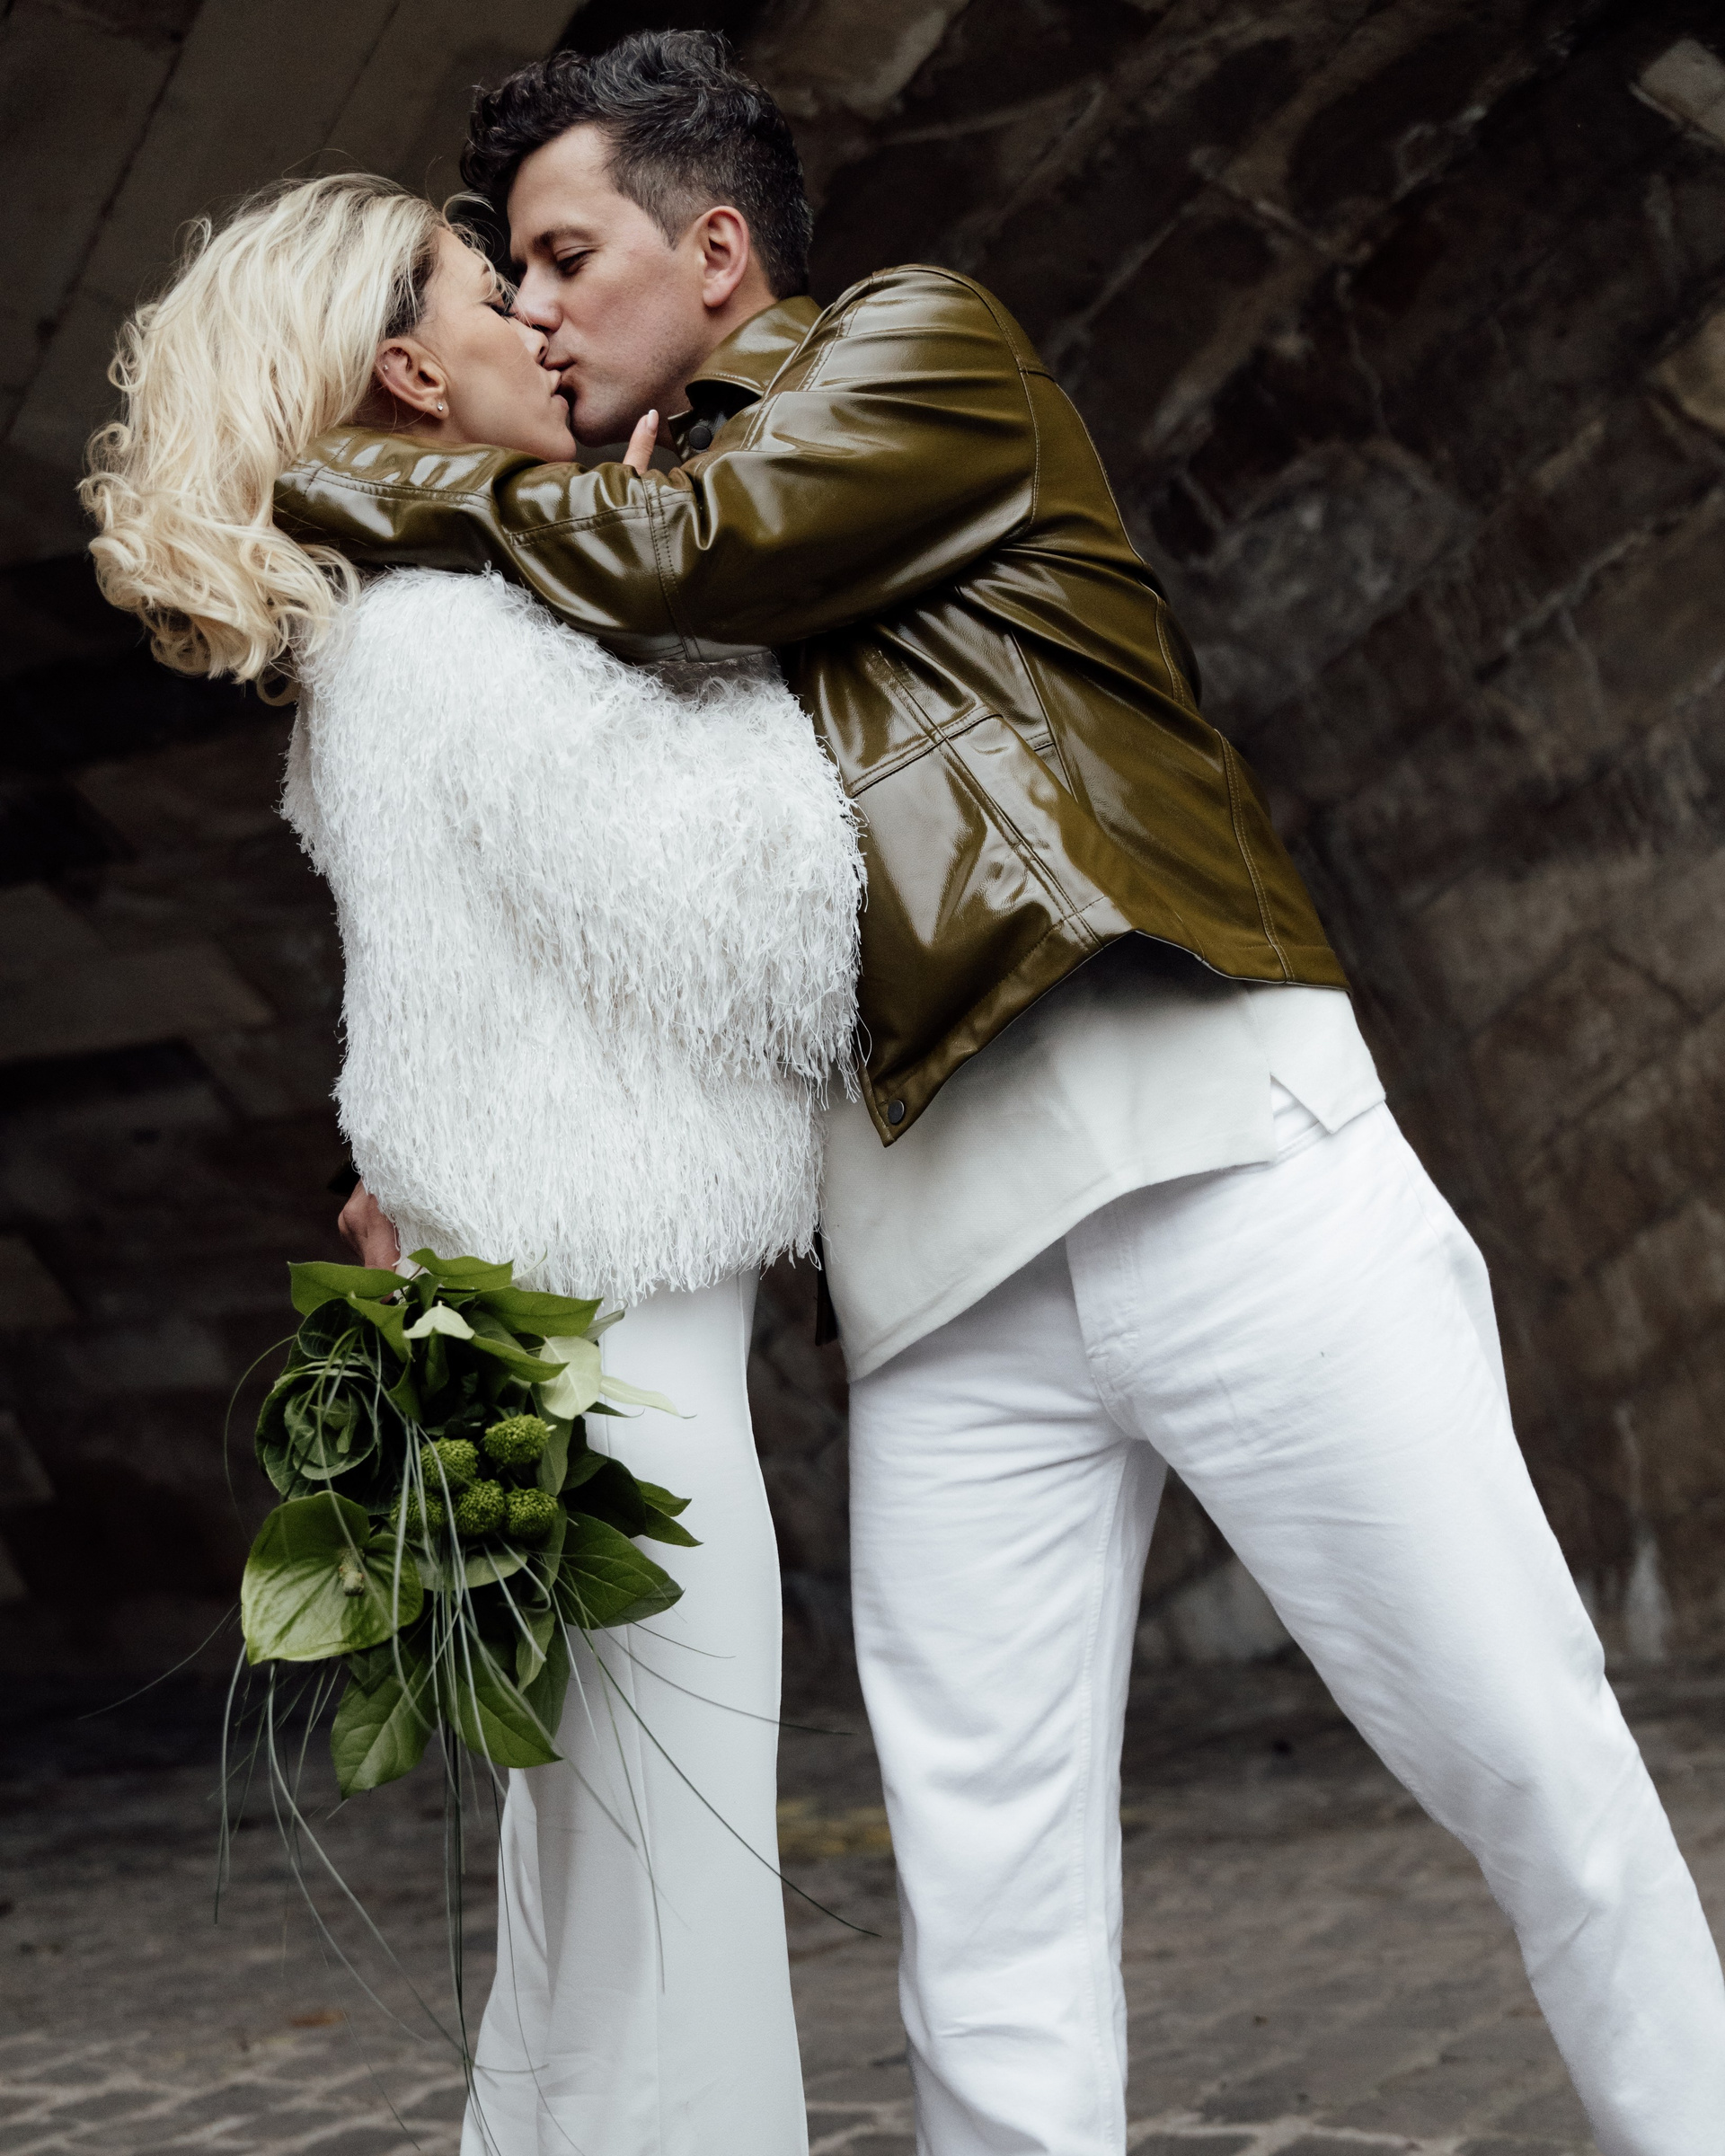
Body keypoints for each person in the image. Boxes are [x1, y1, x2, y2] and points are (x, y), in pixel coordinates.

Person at [270, 32, 1725, 2156]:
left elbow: (717, 550)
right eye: (513, 275)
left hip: (1220, 1169)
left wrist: (364, 482)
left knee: (1531, 1759)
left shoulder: (913, 353)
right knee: (990, 1929)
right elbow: (583, 917)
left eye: (569, 256)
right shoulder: (579, 561)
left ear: (717, 248)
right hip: (936, 1293)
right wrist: (423, 1163)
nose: (541, 307)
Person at [81, 172, 866, 2156]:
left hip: (538, 1350)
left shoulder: (409, 636)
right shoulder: (457, 642)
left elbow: (442, 1013)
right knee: (668, 1947)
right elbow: (779, 933)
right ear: (416, 376)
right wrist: (737, 648)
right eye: (488, 291)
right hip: (617, 1374)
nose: (537, 315)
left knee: (592, 1946)